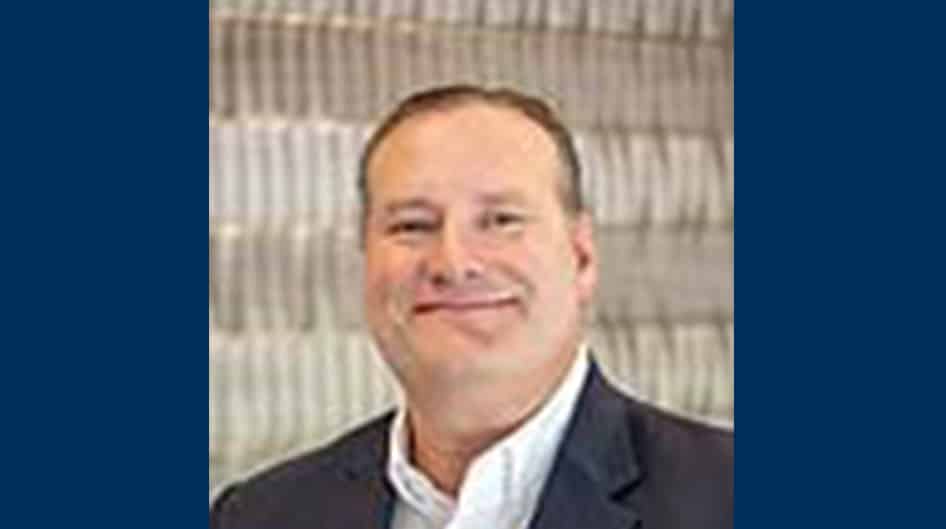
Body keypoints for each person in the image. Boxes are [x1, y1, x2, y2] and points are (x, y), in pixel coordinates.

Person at [210, 85, 733, 529]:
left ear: (581, 257)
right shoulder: (258, 516)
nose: (454, 263)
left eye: (501, 220)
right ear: (365, 260)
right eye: (412, 225)